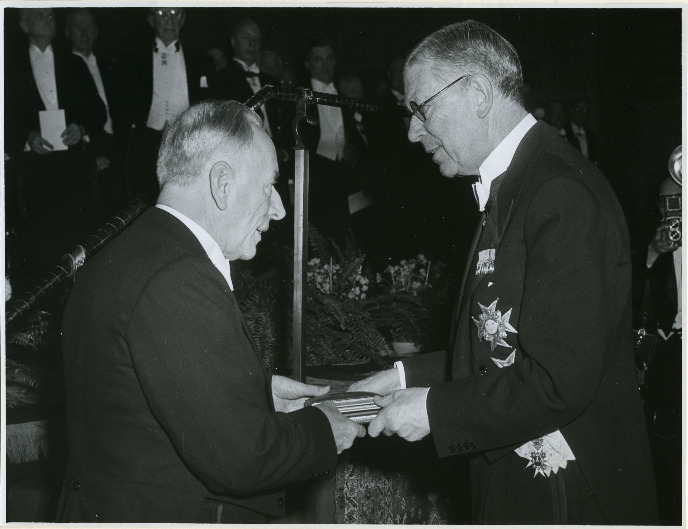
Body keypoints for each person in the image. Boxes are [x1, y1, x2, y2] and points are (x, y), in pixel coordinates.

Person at [350, 20, 658, 524]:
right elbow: (504, 343)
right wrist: (403, 376)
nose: (411, 131)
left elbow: (559, 378)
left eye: (420, 108)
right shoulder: (519, 182)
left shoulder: (559, 192)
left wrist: (432, 410)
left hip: (566, 496)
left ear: (477, 92)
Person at [57, 100, 365, 523]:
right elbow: (242, 460)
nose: (278, 208)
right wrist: (324, 431)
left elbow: (139, 405)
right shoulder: (179, 276)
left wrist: (256, 392)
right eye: (269, 186)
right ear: (222, 183)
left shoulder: (121, 255)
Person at [4, 7, 106, 282]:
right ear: (24, 24)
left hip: (75, 168)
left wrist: (81, 126)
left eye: (50, 15)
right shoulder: (9, 66)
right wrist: (25, 137)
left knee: (81, 235)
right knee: (42, 241)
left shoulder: (73, 62)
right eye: (40, 15)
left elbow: (98, 111)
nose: (48, 19)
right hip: (36, 170)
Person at [122, 7, 208, 204]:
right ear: (152, 20)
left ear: (183, 19)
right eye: (162, 14)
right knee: (144, 199)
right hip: (147, 141)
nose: (169, 20)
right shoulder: (134, 57)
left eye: (175, 13)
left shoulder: (199, 57)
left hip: (186, 140)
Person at [638, 173, 682, 524]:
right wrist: (653, 252)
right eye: (666, 204)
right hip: (670, 356)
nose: (672, 212)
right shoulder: (655, 242)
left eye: (678, 201)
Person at [65, 8, 128, 221]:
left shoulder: (112, 66)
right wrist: (90, 153)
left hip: (117, 150)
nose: (84, 32)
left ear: (96, 31)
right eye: (78, 27)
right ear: (67, 32)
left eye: (89, 27)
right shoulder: (58, 70)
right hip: (86, 152)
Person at [562, 96, 598, 163]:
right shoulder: (563, 131)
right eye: (578, 109)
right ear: (571, 111)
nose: (581, 114)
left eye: (584, 110)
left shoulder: (592, 136)